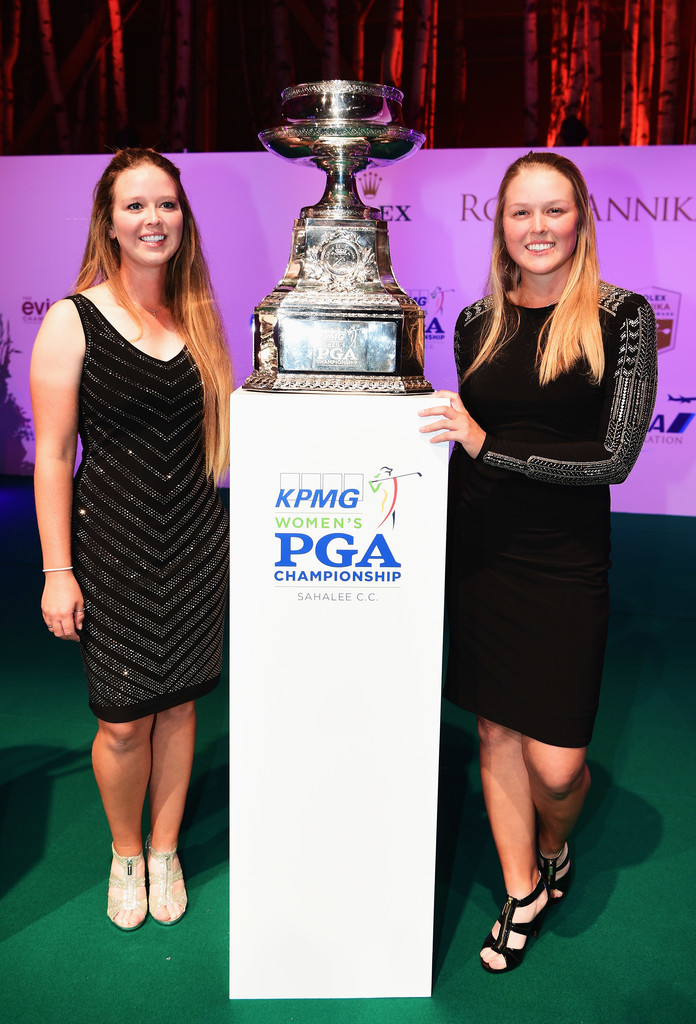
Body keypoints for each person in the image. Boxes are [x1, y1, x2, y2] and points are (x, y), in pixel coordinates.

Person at [419, 151, 657, 973]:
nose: (539, 228)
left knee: (558, 768)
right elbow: (458, 453)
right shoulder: (476, 324)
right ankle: (520, 888)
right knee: (493, 732)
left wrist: (494, 450)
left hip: (564, 563)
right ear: (501, 225)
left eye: (555, 211)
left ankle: (556, 847)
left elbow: (614, 458)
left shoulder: (620, 316)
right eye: (522, 213)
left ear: (581, 218)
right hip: (483, 557)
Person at [30, 148, 232, 931]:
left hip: (193, 544)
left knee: (179, 710)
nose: (154, 220)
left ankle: (165, 848)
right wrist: (57, 571)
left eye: (168, 205)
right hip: (108, 547)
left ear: (184, 216)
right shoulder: (71, 319)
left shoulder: (200, 316)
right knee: (121, 719)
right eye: (136, 206)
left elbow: (217, 443)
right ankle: (124, 851)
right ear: (108, 222)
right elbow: (52, 459)